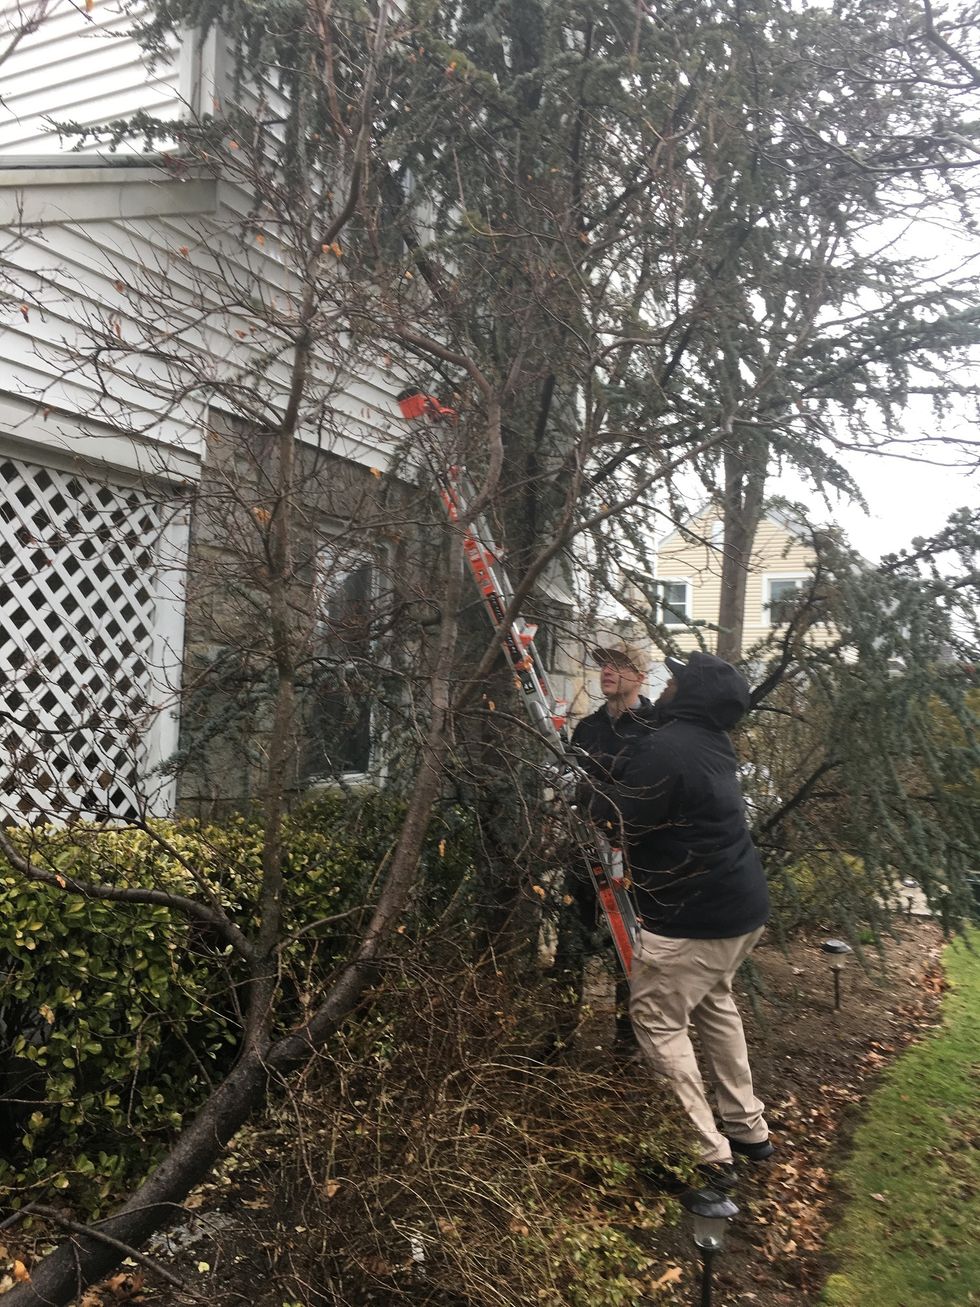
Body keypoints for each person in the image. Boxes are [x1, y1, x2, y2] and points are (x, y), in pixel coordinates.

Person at [593, 650, 772, 1189]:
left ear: (690, 695)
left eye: (677, 680)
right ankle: (747, 1129)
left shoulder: (667, 748)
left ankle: (706, 1155)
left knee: (657, 1020)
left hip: (693, 915)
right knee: (716, 1002)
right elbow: (661, 776)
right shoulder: (708, 742)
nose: (667, 684)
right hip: (739, 910)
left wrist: (585, 791)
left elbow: (621, 819)